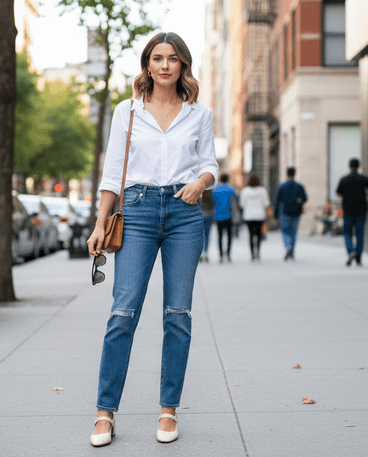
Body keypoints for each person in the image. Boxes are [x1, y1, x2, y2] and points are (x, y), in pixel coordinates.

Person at [86, 32, 218, 447]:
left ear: (183, 66)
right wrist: (98, 222)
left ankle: (168, 410)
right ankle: (105, 413)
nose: (164, 65)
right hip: (138, 211)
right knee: (122, 313)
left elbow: (210, 163)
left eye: (172, 59)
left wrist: (201, 183)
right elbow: (111, 174)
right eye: (157, 58)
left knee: (177, 314)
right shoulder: (127, 112)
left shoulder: (199, 113)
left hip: (184, 213)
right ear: (147, 64)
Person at [337, 158, 368, 266]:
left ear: (349, 166)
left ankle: (350, 251)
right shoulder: (364, 178)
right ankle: (358, 258)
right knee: (360, 234)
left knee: (347, 233)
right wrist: (364, 195)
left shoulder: (344, 179)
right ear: (359, 166)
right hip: (361, 210)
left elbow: (338, 193)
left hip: (348, 210)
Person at [274, 167, 307, 261]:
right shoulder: (299, 186)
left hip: (285, 212)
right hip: (297, 212)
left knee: (284, 231)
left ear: (287, 174)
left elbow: (277, 202)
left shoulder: (282, 186)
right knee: (293, 232)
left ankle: (287, 245)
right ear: (295, 174)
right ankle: (292, 253)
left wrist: (275, 216)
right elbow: (305, 198)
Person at [240, 174, 270, 261]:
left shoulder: (245, 191)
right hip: (260, 215)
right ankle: (258, 253)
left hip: (249, 216)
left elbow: (242, 204)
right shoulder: (262, 190)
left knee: (251, 235)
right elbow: (266, 203)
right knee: (259, 235)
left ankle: (252, 254)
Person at [212, 173, 239, 262]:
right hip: (228, 215)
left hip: (218, 215)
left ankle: (220, 255)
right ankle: (228, 254)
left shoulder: (215, 190)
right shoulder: (231, 189)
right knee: (229, 236)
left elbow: (213, 202)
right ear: (227, 179)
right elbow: (236, 201)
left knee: (219, 236)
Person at [200, 189, 214, 262]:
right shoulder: (211, 193)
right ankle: (205, 253)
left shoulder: (199, 190)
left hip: (200, 215)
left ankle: (200, 253)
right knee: (207, 235)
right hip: (209, 214)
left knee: (200, 235)